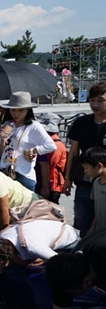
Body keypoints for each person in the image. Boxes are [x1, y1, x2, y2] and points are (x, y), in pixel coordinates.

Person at [0, 220, 80, 299]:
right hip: (43, 234)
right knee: (19, 265)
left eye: (1, 266)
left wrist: (43, 261)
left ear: (5, 261)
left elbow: (62, 262)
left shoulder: (33, 246)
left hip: (69, 241)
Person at [63, 82, 106, 236]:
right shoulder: (81, 123)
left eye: (100, 100)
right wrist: (67, 178)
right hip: (85, 180)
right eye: (92, 100)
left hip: (104, 179)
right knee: (83, 223)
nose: (95, 104)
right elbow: (73, 152)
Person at [0, 91, 57, 191]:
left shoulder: (34, 126)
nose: (16, 114)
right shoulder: (7, 125)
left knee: (25, 206)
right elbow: (0, 153)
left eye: (20, 110)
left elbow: (51, 145)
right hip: (6, 173)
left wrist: (32, 151)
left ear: (28, 110)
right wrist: (3, 139)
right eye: (13, 110)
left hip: (24, 175)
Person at [35, 113, 66, 204]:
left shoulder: (55, 144)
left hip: (52, 184)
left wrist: (45, 187)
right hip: (48, 182)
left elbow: (50, 164)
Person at [79, 147, 106, 232]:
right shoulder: (96, 183)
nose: (85, 171)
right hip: (99, 231)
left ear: (99, 166)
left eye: (86, 168)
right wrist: (93, 226)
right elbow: (98, 209)